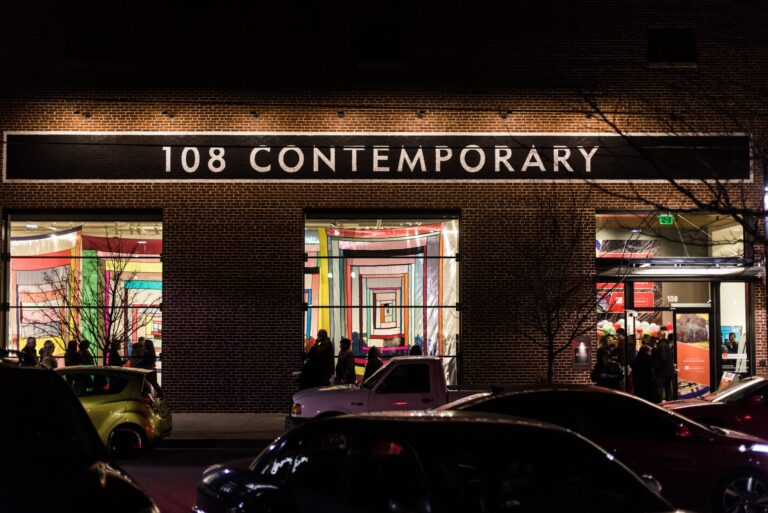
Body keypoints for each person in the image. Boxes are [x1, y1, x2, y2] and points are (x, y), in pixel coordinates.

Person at [653, 331, 675, 401]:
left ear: (659, 336)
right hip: (668, 371)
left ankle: (659, 406)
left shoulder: (661, 345)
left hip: (663, 372)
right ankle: (669, 405)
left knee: (659, 389)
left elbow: (663, 358)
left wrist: (657, 367)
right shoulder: (667, 344)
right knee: (668, 389)